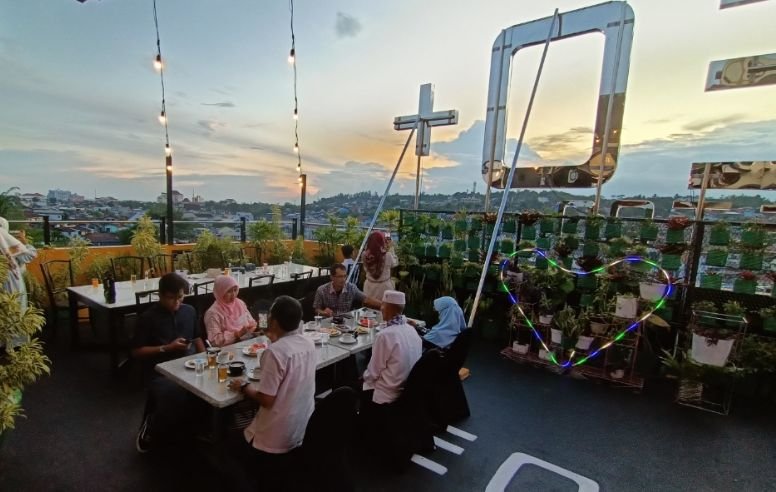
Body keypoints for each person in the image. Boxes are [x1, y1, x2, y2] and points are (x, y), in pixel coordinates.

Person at [227, 296, 316, 488]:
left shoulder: (275, 352)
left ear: (274, 321)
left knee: (229, 444)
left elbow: (266, 400)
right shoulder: (308, 343)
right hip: (301, 427)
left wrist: (244, 386)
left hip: (276, 436)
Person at [131, 272, 206, 453]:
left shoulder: (189, 311)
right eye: (171, 298)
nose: (177, 303)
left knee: (212, 388)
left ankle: (200, 430)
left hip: (189, 365)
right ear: (161, 295)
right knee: (173, 393)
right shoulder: (148, 318)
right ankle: (152, 424)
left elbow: (197, 338)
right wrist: (166, 348)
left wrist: (206, 360)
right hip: (160, 370)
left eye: (180, 297)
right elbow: (136, 351)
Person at [362, 290, 422, 405]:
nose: (381, 308)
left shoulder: (384, 335)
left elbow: (373, 373)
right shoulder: (411, 329)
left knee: (354, 384)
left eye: (383, 305)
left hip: (386, 394)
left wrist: (363, 378)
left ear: (388, 308)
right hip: (407, 389)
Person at [204, 275, 257, 347]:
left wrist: (252, 327)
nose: (233, 294)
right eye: (229, 291)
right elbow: (214, 341)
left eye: (235, 290)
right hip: (228, 350)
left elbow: (251, 322)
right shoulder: (213, 313)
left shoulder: (239, 303)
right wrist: (236, 334)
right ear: (221, 292)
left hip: (247, 344)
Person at [313, 263, 381, 317]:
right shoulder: (322, 290)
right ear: (332, 277)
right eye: (340, 276)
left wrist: (384, 305)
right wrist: (324, 313)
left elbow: (366, 299)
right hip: (329, 322)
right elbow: (316, 309)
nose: (343, 279)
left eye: (344, 276)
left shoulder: (351, 288)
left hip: (346, 322)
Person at [0, 218, 37, 313]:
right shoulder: (6, 242)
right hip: (10, 281)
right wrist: (24, 242)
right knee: (14, 310)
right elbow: (30, 254)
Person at [362, 231, 398, 302]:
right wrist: (391, 248)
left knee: (369, 309)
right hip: (385, 288)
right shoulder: (387, 255)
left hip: (369, 286)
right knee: (385, 310)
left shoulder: (364, 255)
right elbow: (395, 263)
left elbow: (365, 269)